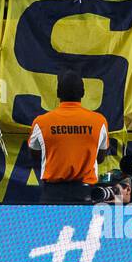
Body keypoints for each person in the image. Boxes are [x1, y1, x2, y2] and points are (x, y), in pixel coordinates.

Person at [27, 69, 110, 204]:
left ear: (58, 93)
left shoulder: (41, 122)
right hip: (85, 194)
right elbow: (100, 157)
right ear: (83, 93)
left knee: (51, 226)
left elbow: (34, 155)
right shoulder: (99, 121)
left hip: (52, 195)